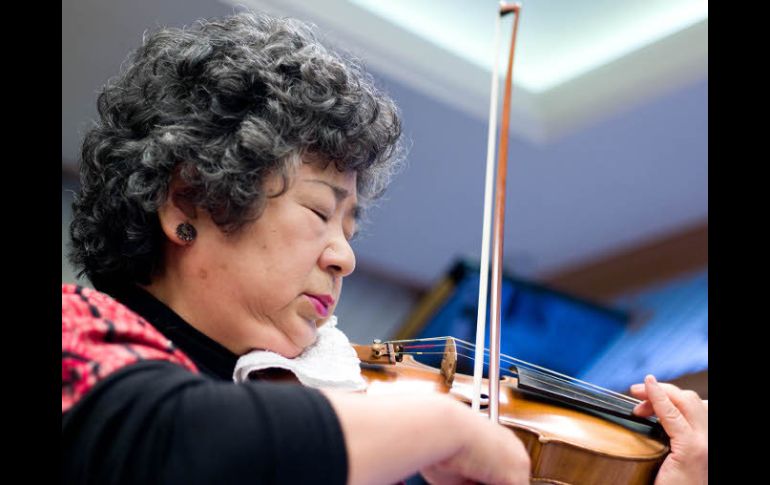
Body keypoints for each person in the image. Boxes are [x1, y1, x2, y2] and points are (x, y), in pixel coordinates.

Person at [63, 12, 707, 485]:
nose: (344, 258)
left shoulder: (349, 434)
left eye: (350, 229)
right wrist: (436, 425)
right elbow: (169, 445)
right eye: (319, 212)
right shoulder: (80, 331)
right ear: (186, 204)